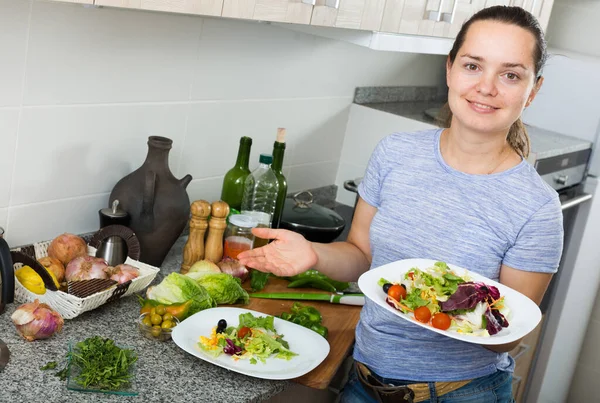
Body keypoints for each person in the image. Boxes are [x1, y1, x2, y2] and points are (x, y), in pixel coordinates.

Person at [238, 5, 563, 403]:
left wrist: (447, 303)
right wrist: (314, 255)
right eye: (473, 66)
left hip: (462, 394)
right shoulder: (394, 154)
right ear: (449, 69)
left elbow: (509, 337)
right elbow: (361, 255)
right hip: (363, 383)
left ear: (534, 90)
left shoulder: (537, 207)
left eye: (510, 74)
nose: (486, 87)